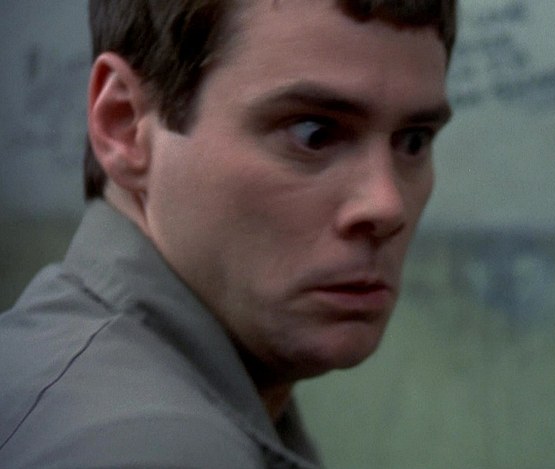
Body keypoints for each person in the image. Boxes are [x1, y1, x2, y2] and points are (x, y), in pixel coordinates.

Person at [0, 0, 456, 467]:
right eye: (314, 134)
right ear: (125, 124)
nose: (387, 206)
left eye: (414, 140)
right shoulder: (150, 446)